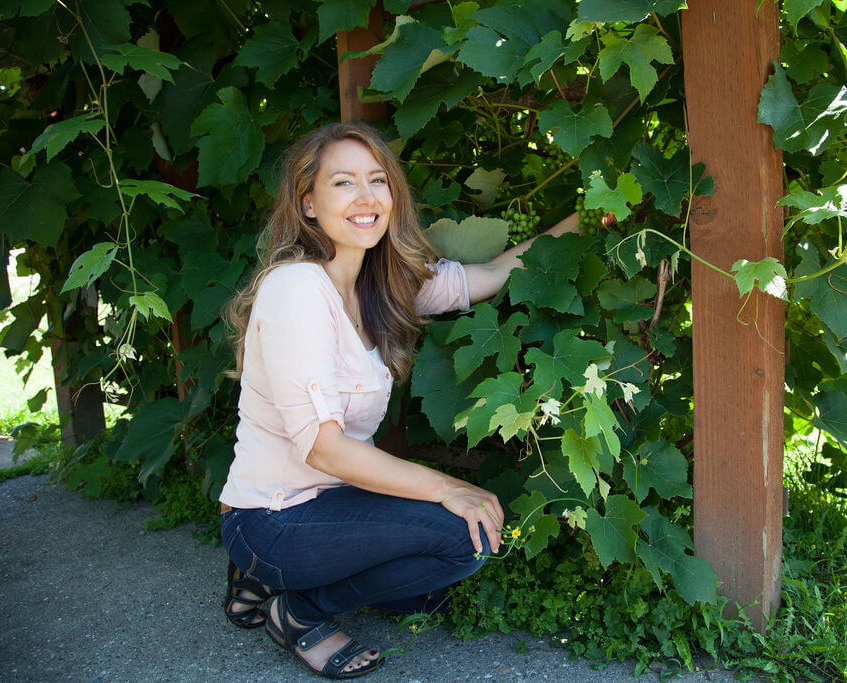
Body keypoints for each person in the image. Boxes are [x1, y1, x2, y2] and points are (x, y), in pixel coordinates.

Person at [218, 121, 579, 679]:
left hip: (333, 503)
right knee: (466, 537)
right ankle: (297, 609)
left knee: (421, 593)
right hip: (273, 516)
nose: (366, 198)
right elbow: (325, 449)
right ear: (308, 203)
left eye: (378, 180)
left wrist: (591, 220)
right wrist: (449, 485)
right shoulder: (295, 289)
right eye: (343, 183)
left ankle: (269, 580)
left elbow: (489, 272)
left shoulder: (382, 284)